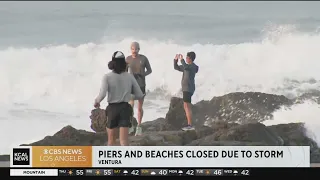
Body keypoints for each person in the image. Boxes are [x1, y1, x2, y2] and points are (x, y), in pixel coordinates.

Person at [94, 51, 144, 146]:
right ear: (124, 63)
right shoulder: (129, 77)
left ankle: (112, 160)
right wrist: (128, 95)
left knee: (111, 141)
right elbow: (139, 95)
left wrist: (97, 101)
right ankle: (127, 160)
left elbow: (103, 93)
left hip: (112, 109)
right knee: (124, 141)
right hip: (125, 109)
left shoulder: (107, 77)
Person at [126, 42, 152, 136]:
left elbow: (150, 70)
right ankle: (131, 126)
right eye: (132, 49)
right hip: (131, 85)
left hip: (141, 85)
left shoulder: (143, 58)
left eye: (136, 49)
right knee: (130, 106)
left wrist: (142, 74)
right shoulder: (128, 59)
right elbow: (124, 72)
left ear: (139, 49)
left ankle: (139, 126)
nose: (134, 51)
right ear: (130, 49)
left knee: (139, 107)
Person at [174, 52, 199, 131]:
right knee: (186, 106)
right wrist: (175, 60)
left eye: (187, 57)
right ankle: (189, 124)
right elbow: (176, 67)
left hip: (189, 88)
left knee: (187, 106)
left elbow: (185, 66)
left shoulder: (192, 67)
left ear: (190, 59)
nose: (186, 59)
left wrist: (182, 60)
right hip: (186, 88)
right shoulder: (187, 66)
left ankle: (190, 125)